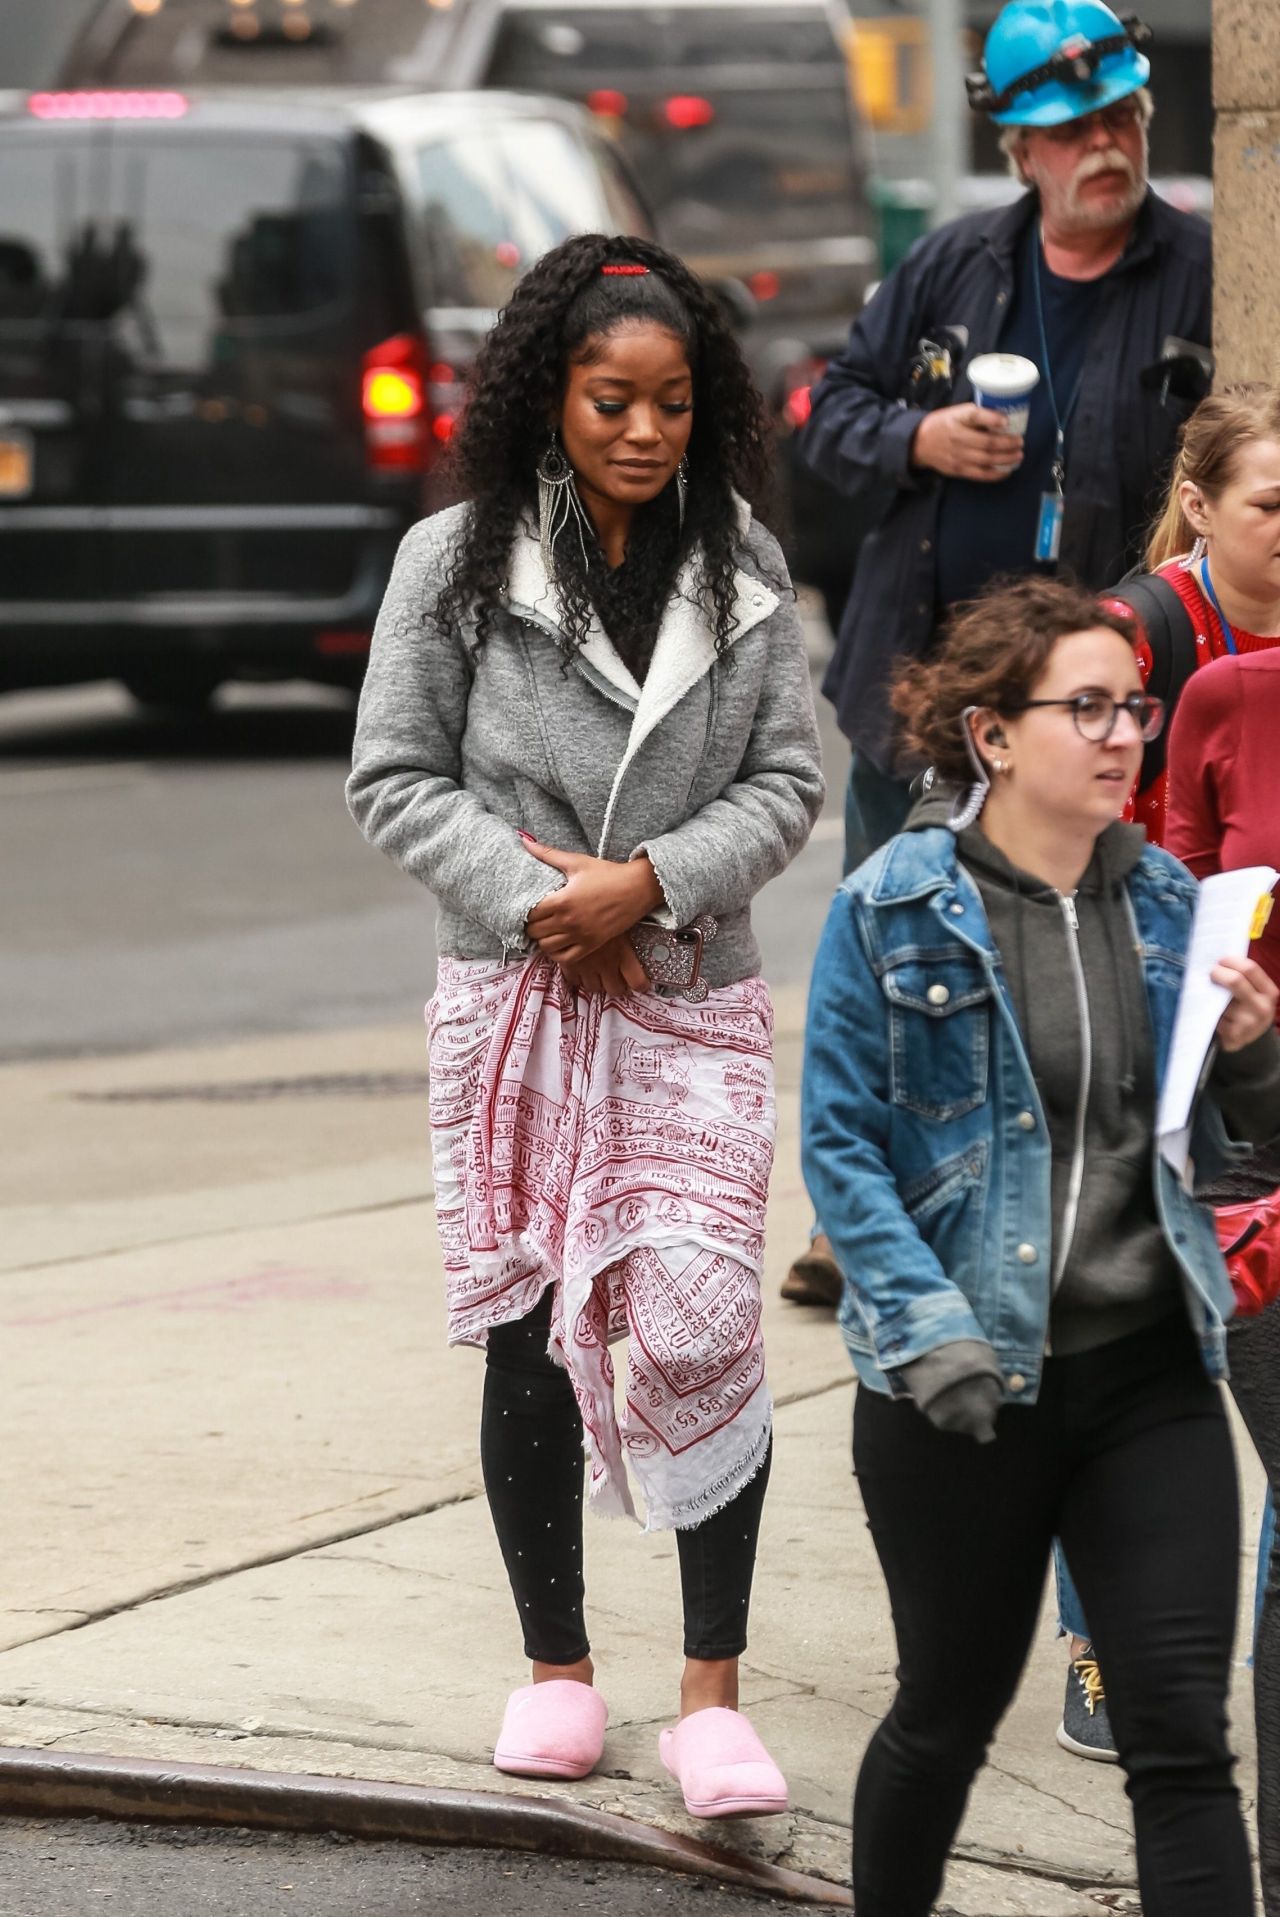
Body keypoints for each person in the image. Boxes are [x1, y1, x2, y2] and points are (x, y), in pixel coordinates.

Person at [346, 233, 824, 1816]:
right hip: (513, 990)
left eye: (674, 403)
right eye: (612, 399)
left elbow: (791, 781)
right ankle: (557, 1667)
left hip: (689, 993)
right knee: (531, 1328)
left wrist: (651, 885)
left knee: (703, 1318)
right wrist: (549, 904)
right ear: (552, 394)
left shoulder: (741, 561)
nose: (643, 431)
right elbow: (395, 775)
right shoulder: (454, 560)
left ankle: (711, 1693)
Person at [801, 573, 1280, 1915]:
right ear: (994, 734)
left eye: (1134, 707)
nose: (1127, 733)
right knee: (944, 1720)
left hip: (1150, 1376)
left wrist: (1253, 1051)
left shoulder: (1173, 905)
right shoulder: (896, 906)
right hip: (964, 1389)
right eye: (1090, 708)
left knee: (1181, 1740)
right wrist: (924, 1328)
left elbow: (1248, 1135)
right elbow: (843, 1150)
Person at [782, 0, 1211, 1305]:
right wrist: (920, 439)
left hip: (1094, 701)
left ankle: (1043, 1224)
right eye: (1075, 129)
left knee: (1071, 966)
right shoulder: (955, 267)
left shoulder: (1199, 275)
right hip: (923, 685)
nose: (1108, 146)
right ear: (1019, 149)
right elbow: (829, 415)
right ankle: (856, 1223)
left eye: (1123, 118)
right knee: (892, 958)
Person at [1053, 386, 1280, 1764]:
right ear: (1201, 506)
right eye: (1272, 504)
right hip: (1143, 1015)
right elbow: (1065, 814)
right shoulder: (1146, 628)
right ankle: (1095, 1640)